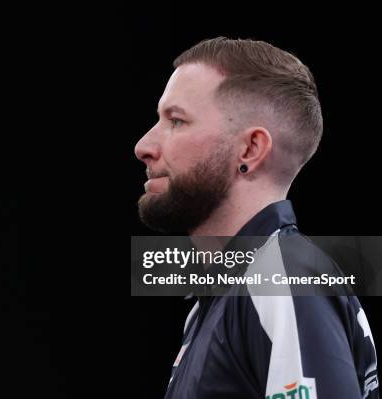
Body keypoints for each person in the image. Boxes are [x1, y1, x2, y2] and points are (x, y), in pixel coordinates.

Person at [134, 37, 378, 399]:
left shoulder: (280, 280)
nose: (144, 146)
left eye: (176, 121)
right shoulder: (225, 296)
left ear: (250, 149)